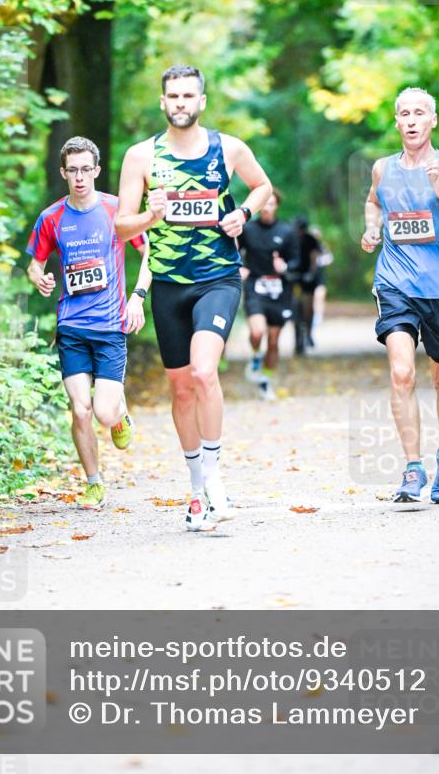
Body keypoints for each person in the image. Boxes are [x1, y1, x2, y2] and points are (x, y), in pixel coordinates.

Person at [115, 64, 272, 530]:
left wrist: (243, 212)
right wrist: (148, 216)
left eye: (189, 96)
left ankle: (214, 473)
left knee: (205, 372)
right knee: (180, 387)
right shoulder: (141, 157)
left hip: (217, 278)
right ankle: (196, 487)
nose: (181, 103)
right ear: (162, 103)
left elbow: (262, 186)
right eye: (173, 96)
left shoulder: (228, 148)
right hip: (167, 285)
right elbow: (121, 224)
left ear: (201, 101)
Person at [361, 87, 439, 504]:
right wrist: (373, 227)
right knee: (401, 373)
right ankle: (413, 468)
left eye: (419, 113)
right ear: (397, 122)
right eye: (404, 113)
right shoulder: (382, 169)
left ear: (433, 121)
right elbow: (374, 203)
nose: (411, 120)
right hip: (394, 284)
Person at [27, 136, 151, 509]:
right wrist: (40, 277)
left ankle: (119, 413)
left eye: (86, 169)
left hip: (111, 326)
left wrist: (138, 298)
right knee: (80, 408)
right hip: (72, 327)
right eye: (72, 170)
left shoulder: (116, 210)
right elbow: (35, 263)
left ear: (96, 170)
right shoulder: (52, 218)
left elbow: (150, 255)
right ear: (63, 172)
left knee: (102, 411)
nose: (79, 177)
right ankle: (94, 482)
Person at [239, 189, 297, 400]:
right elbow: (234, 250)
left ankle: (265, 380)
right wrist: (239, 267)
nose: (266, 207)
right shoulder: (248, 229)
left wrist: (285, 266)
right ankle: (255, 356)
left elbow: (296, 261)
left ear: (276, 206)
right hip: (255, 286)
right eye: (263, 203)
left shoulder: (287, 232)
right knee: (257, 332)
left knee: (273, 341)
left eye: (271, 203)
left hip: (280, 291)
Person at [293, 217, 321, 353]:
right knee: (295, 306)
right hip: (293, 277)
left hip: (307, 278)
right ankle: (298, 336)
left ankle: (309, 332)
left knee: (307, 307)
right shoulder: (290, 238)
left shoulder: (311, 239)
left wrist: (311, 272)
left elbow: (314, 257)